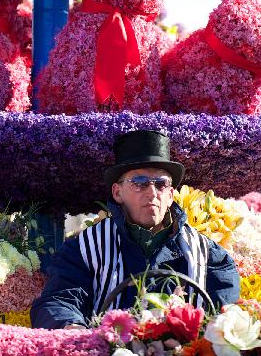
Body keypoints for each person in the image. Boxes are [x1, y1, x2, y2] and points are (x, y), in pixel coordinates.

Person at [30, 129, 240, 330]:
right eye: (139, 182)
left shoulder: (211, 256)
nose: (152, 193)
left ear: (171, 195)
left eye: (161, 184)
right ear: (117, 192)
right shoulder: (83, 250)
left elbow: (225, 315)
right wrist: (71, 327)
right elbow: (58, 301)